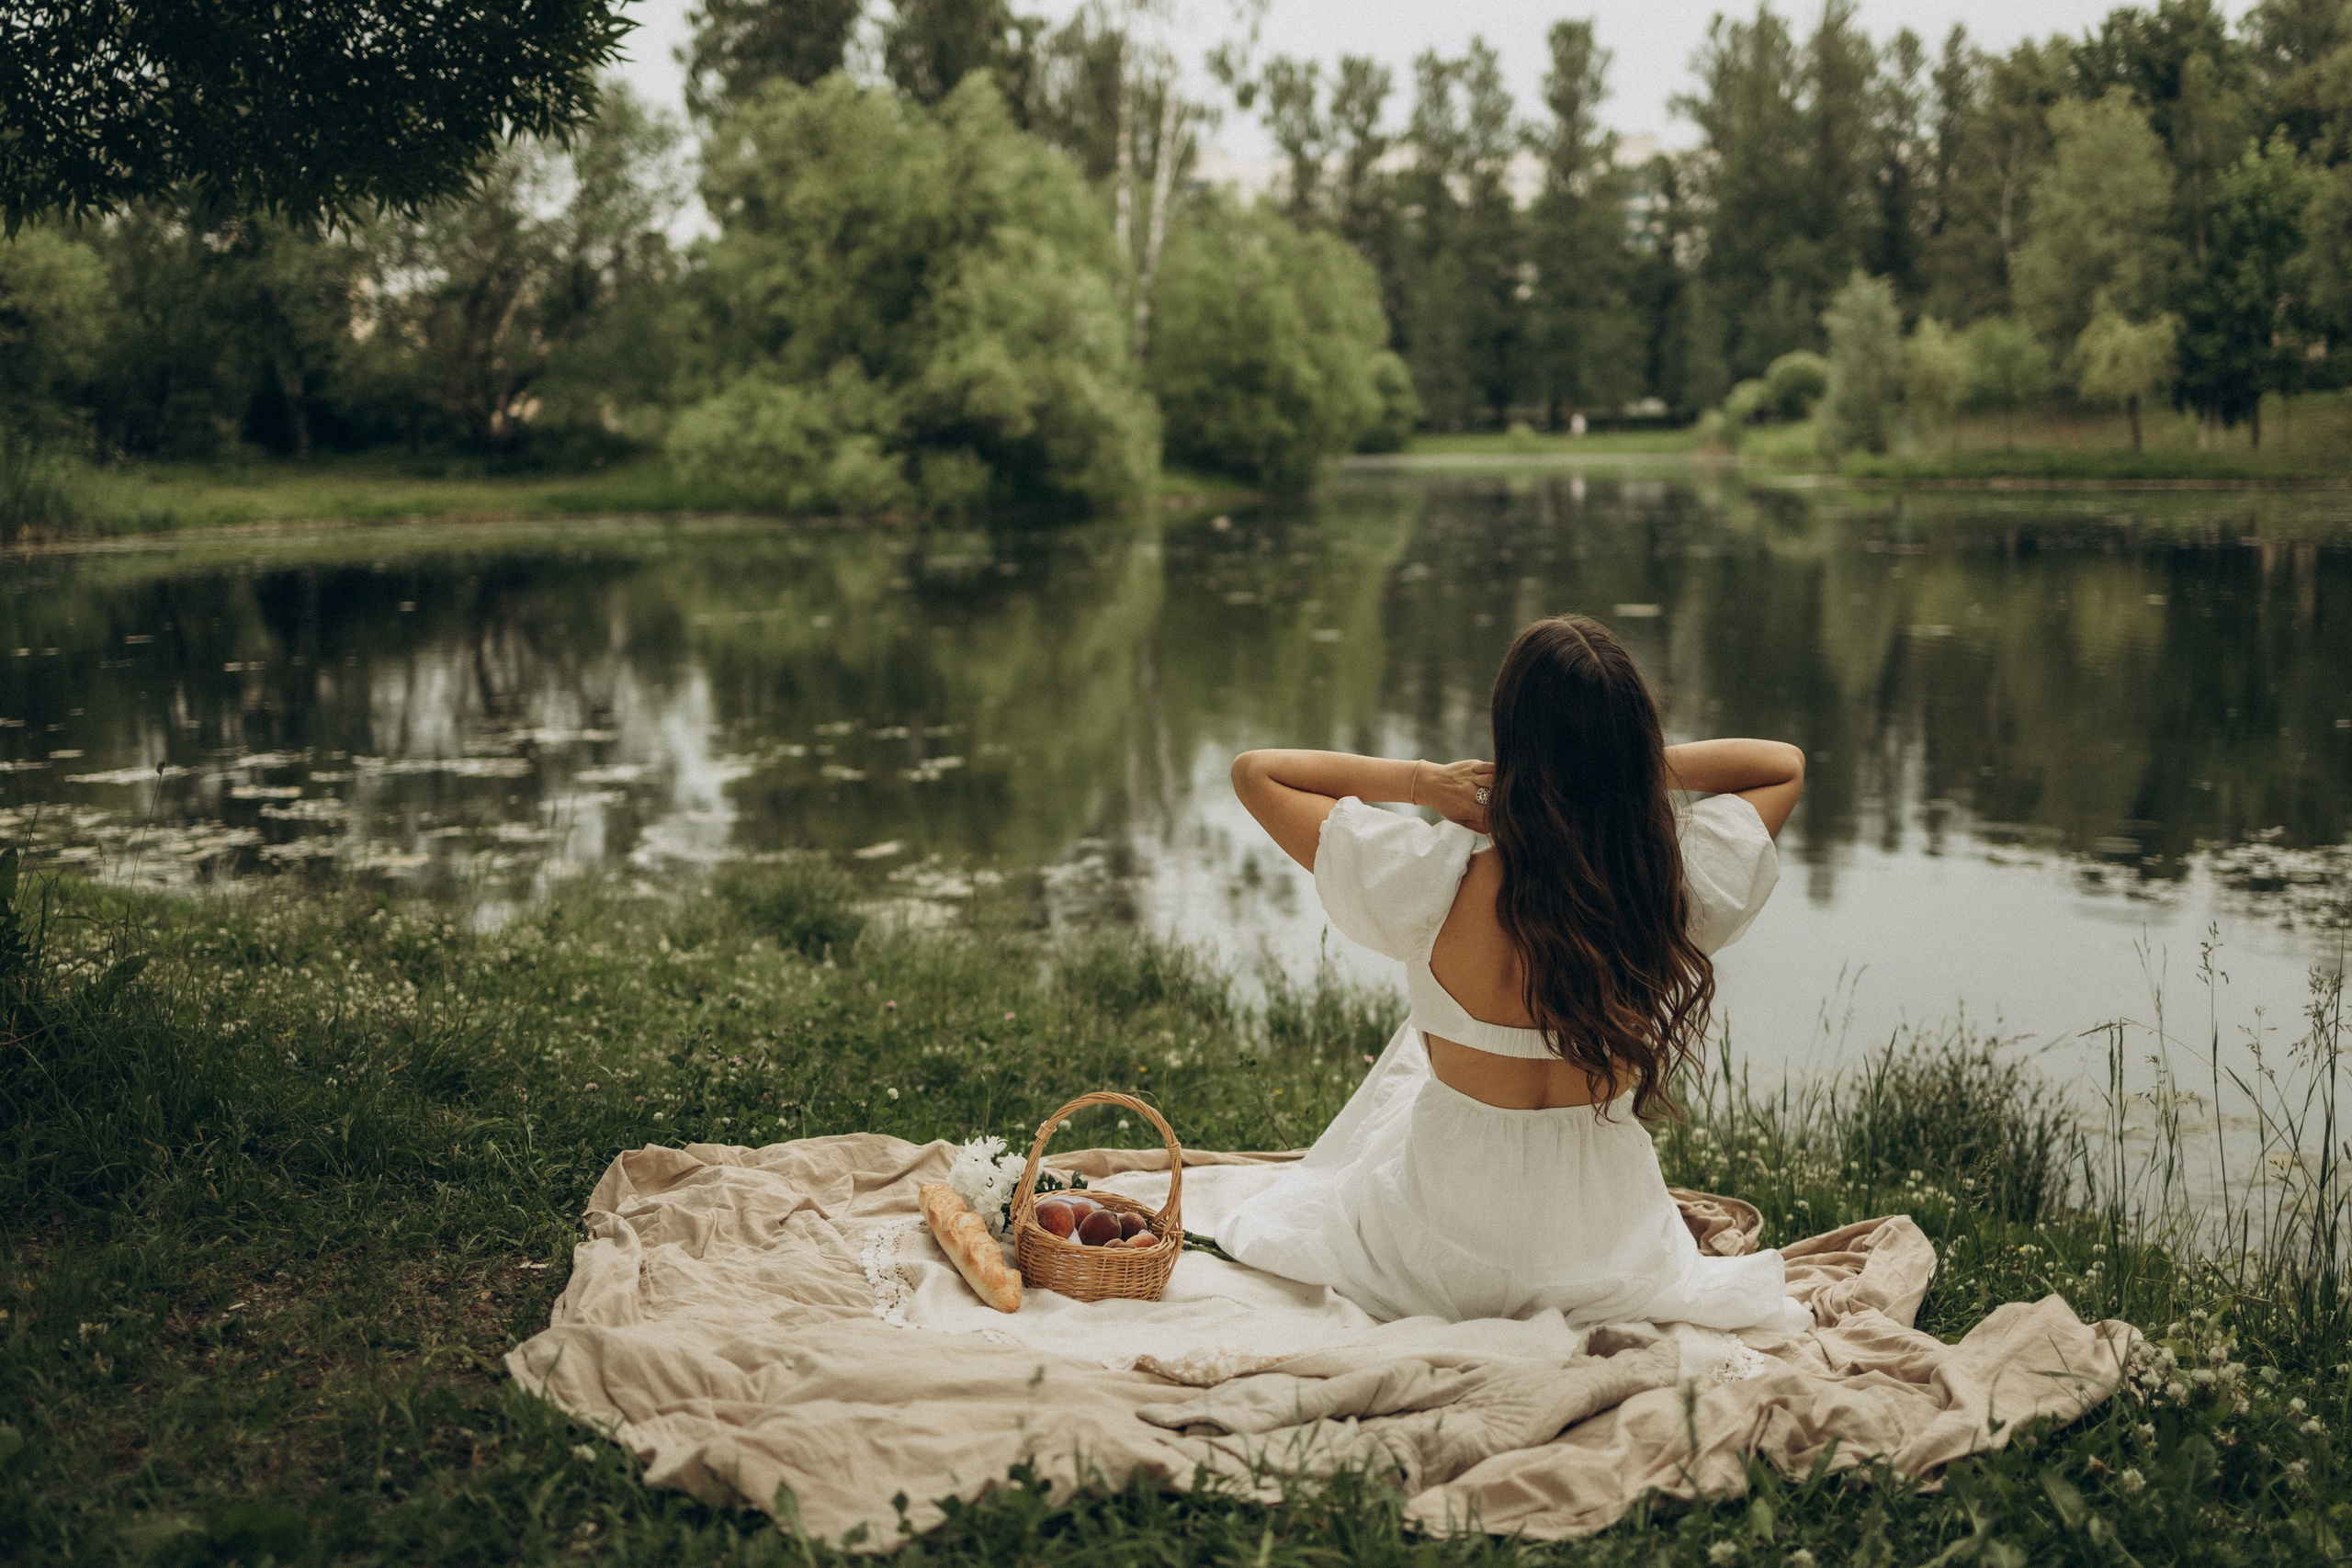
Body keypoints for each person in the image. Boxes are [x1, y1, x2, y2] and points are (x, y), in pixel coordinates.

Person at [1215, 614, 1810, 1332]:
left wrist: (1424, 782)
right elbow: (1783, 763)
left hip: (1442, 1256)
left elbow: (1257, 772)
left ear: (1513, 737)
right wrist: (1617, 773)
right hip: (1609, 1258)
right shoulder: (1668, 883)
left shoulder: (1431, 875)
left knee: (1414, 1057)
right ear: (1635, 744)